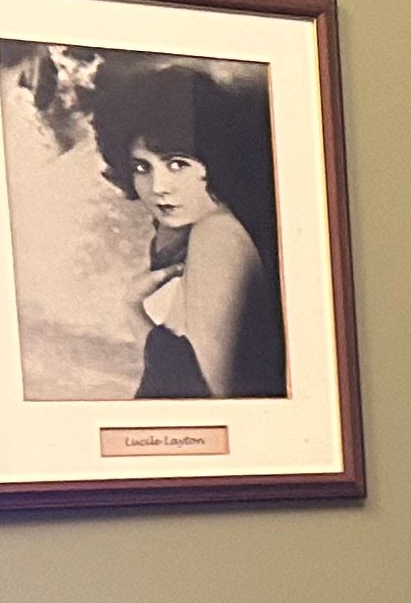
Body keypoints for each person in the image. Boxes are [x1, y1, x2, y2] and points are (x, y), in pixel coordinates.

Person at [88, 56, 285, 399]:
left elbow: (201, 393)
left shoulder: (217, 234)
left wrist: (132, 309)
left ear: (213, 158)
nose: (158, 187)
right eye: (142, 167)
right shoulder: (185, 232)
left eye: (177, 164)